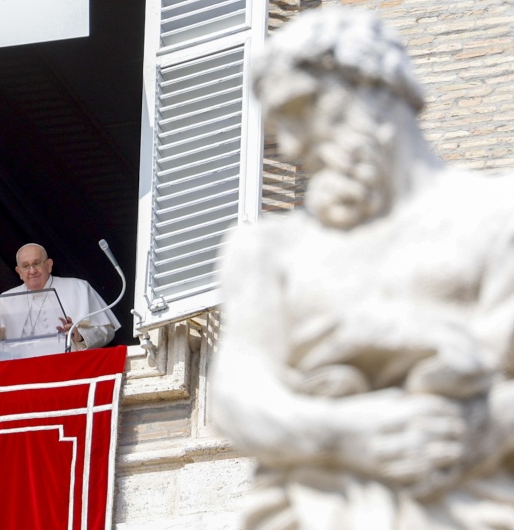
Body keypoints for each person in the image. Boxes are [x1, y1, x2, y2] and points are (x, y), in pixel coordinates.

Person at [210, 7, 514, 529]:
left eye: (301, 109)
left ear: (371, 86)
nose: (291, 147)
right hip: (309, 510)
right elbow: (238, 394)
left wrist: (476, 426)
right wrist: (348, 433)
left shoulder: (496, 213)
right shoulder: (266, 249)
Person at [0, 243, 120, 359]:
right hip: (23, 375)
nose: (32, 271)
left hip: (69, 370)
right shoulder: (5, 300)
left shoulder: (78, 287)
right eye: (25, 266)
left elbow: (106, 330)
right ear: (19, 272)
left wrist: (79, 336)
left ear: (49, 265)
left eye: (36, 263)